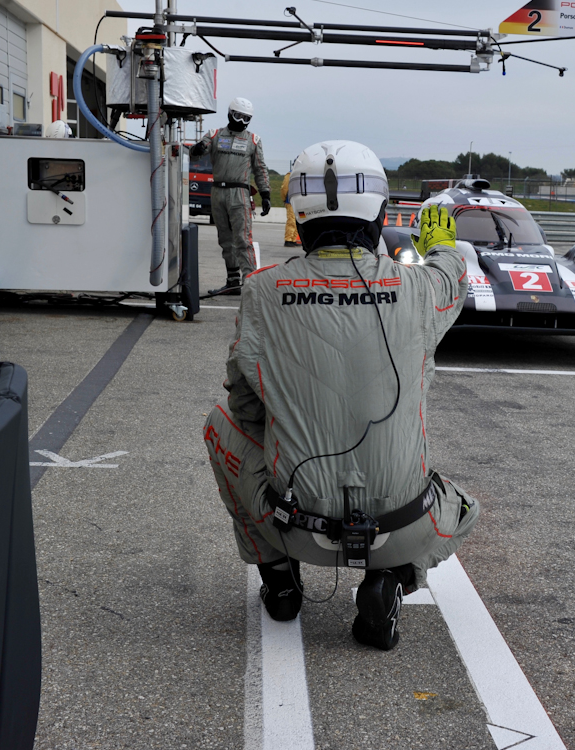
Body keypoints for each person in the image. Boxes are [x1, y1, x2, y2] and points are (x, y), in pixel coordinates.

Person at [202, 140, 479, 650]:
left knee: (219, 424)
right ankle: (394, 579)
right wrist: (439, 242)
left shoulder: (262, 291)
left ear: (299, 216)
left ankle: (279, 580)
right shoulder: (419, 290)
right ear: (377, 212)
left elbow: (243, 406)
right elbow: (454, 273)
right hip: (406, 524)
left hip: (295, 525)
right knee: (464, 507)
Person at [190, 97, 270, 296]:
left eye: (246, 118)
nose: (241, 122)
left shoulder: (253, 140)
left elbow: (260, 169)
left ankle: (251, 283)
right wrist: (196, 149)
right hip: (218, 192)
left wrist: (266, 193)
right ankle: (233, 281)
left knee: (243, 239)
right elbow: (195, 153)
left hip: (239, 193)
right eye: (238, 116)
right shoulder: (214, 135)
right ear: (229, 114)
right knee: (225, 240)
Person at [280, 170, 300, 247]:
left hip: (297, 200)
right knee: (292, 220)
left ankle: (293, 239)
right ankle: (288, 239)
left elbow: (284, 188)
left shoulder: (295, 173)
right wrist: (285, 199)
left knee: (297, 220)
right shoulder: (291, 174)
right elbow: (285, 187)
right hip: (292, 200)